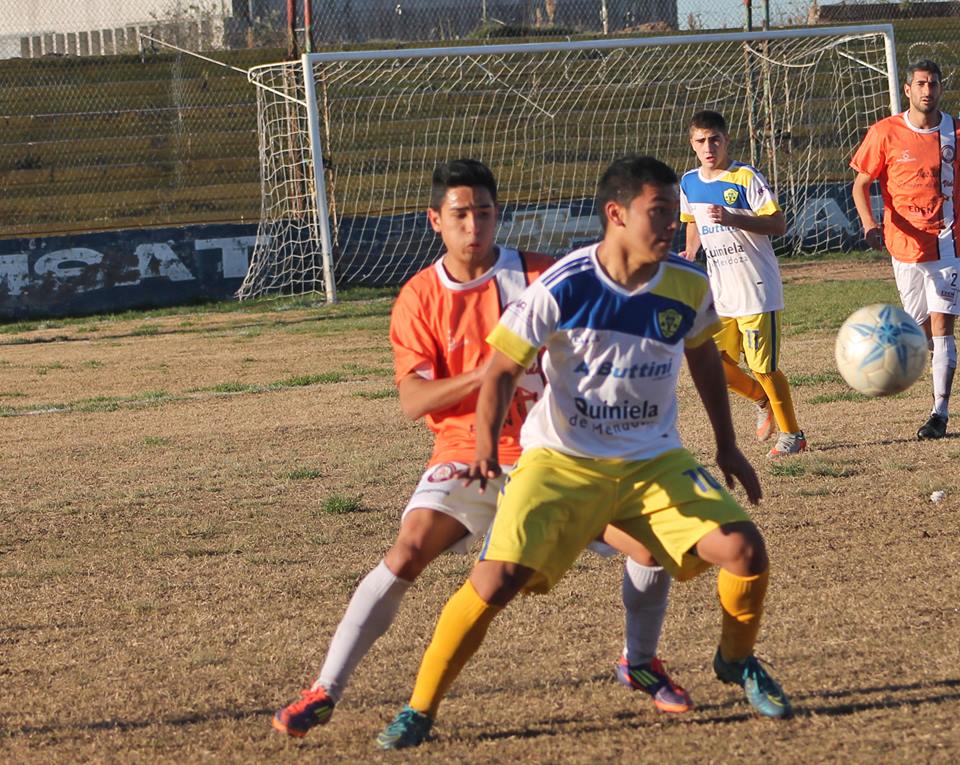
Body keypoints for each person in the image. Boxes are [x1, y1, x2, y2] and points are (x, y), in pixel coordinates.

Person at [376, 155, 792, 751]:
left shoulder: (687, 282)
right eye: (659, 212)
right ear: (616, 214)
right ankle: (419, 708)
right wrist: (487, 448)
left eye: (674, 212)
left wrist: (727, 445)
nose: (671, 224)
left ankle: (736, 659)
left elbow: (702, 353)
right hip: (561, 462)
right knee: (495, 582)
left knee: (744, 550)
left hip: (653, 460)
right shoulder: (565, 284)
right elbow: (500, 371)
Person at [271, 159, 691, 740]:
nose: (475, 226)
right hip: (466, 451)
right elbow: (415, 400)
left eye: (485, 213)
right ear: (435, 220)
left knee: (648, 547)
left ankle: (639, 662)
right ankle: (325, 689)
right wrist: (493, 371)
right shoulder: (419, 297)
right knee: (408, 551)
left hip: (554, 454)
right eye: (461, 215)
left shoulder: (541, 276)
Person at [681, 110, 806, 457]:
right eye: (701, 141)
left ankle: (793, 435)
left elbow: (778, 224)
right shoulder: (689, 182)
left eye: (714, 140)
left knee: (763, 367)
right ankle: (762, 399)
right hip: (721, 292)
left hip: (755, 288)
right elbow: (692, 221)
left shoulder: (745, 177)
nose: (709, 147)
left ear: (726, 140)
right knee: (711, 363)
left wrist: (733, 218)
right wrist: (690, 251)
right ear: (692, 144)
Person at [851, 59, 960, 439]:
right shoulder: (885, 132)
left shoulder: (955, 132)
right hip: (903, 247)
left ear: (941, 88)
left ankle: (939, 414)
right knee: (919, 331)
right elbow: (860, 185)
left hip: (947, 242)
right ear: (908, 89)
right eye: (921, 84)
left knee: (943, 324)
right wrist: (870, 224)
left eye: (933, 83)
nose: (927, 90)